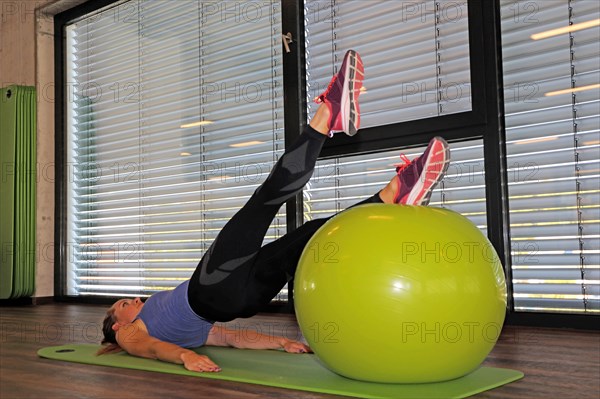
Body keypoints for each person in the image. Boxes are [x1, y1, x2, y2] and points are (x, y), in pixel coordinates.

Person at [98, 50, 450, 372]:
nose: (136, 299)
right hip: (209, 291)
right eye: (125, 303)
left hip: (237, 300)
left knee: (310, 234)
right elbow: (154, 350)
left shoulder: (179, 327)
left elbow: (230, 338)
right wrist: (185, 356)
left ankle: (392, 195)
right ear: (118, 324)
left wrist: (281, 343)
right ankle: (329, 113)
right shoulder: (130, 335)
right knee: (262, 202)